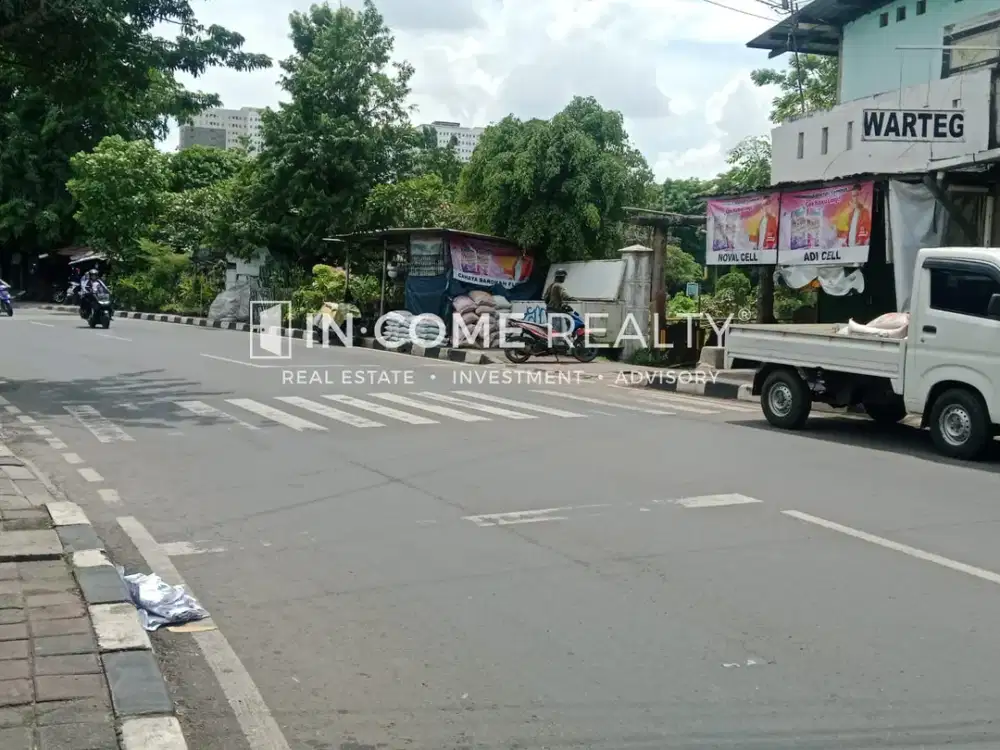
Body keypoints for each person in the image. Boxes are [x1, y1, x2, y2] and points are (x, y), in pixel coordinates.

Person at [543, 268, 574, 342]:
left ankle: (553, 345)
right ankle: (554, 347)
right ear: (560, 277)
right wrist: (575, 299)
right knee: (556, 330)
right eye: (563, 277)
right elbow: (566, 296)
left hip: (549, 310)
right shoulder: (558, 286)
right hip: (554, 311)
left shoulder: (551, 285)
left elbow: (545, 298)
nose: (564, 279)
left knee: (553, 329)